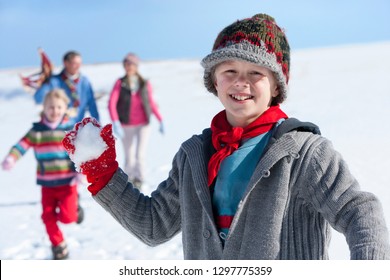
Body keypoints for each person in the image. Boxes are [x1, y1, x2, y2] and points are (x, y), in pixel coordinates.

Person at [62, 14, 390, 259]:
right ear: (214, 81)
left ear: (276, 86)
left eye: (256, 74)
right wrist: (102, 173)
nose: (240, 82)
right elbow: (153, 225)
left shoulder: (304, 153)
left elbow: (359, 212)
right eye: (229, 71)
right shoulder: (195, 156)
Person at [2, 88, 84, 260]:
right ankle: (58, 244)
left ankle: (75, 208)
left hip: (68, 182)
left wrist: (81, 172)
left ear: (64, 108)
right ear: (44, 109)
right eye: (51, 107)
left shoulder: (70, 130)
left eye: (59, 107)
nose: (55, 111)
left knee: (68, 218)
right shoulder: (37, 131)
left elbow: (81, 152)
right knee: (47, 216)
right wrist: (12, 158)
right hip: (47, 183)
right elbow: (22, 145)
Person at [108, 53, 164, 188]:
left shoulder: (144, 83)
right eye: (126, 64)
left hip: (143, 124)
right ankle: (129, 179)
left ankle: (139, 179)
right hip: (126, 124)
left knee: (140, 154)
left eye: (132, 64)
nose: (129, 67)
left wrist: (160, 119)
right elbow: (111, 103)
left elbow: (151, 102)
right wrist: (115, 121)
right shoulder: (120, 83)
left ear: (136, 66)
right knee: (129, 155)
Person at [34, 50, 100, 125]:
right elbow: (38, 99)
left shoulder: (84, 82)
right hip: (58, 127)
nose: (78, 66)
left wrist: (97, 124)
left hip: (77, 128)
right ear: (65, 63)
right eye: (75, 63)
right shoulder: (54, 81)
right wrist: (45, 82)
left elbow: (92, 105)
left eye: (79, 63)